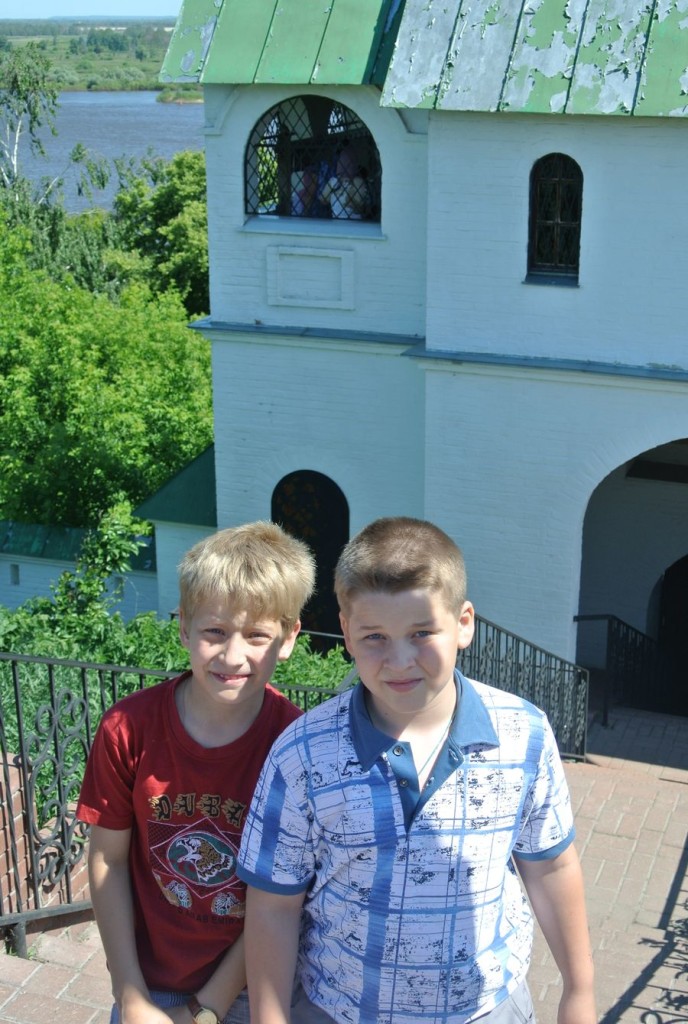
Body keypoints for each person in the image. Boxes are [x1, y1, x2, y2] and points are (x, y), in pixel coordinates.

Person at [237, 517, 596, 1024]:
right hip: (340, 1009)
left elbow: (551, 867)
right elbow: (273, 906)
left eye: (422, 632)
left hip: (487, 1009)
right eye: (375, 637)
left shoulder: (525, 735)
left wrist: (579, 990)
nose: (400, 660)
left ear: (464, 623)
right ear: (347, 632)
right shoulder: (301, 754)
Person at [77, 521, 316, 1024]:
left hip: (255, 982)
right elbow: (108, 861)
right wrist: (130, 993)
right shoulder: (128, 728)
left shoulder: (297, 746)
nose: (233, 656)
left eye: (256, 635)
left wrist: (206, 1009)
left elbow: (279, 898)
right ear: (184, 626)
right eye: (215, 632)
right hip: (150, 980)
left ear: (288, 637)